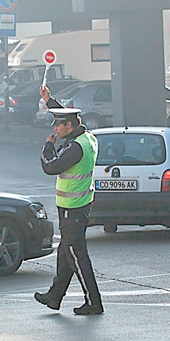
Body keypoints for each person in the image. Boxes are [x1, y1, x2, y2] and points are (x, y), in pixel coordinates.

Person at [34, 85, 103, 315]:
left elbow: (50, 166)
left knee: (76, 255)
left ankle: (94, 301)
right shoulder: (87, 138)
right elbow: (66, 115)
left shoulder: (75, 148)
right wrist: (49, 101)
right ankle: (55, 296)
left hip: (72, 208)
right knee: (66, 253)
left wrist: (47, 146)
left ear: (69, 127)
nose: (55, 128)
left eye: (58, 125)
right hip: (80, 205)